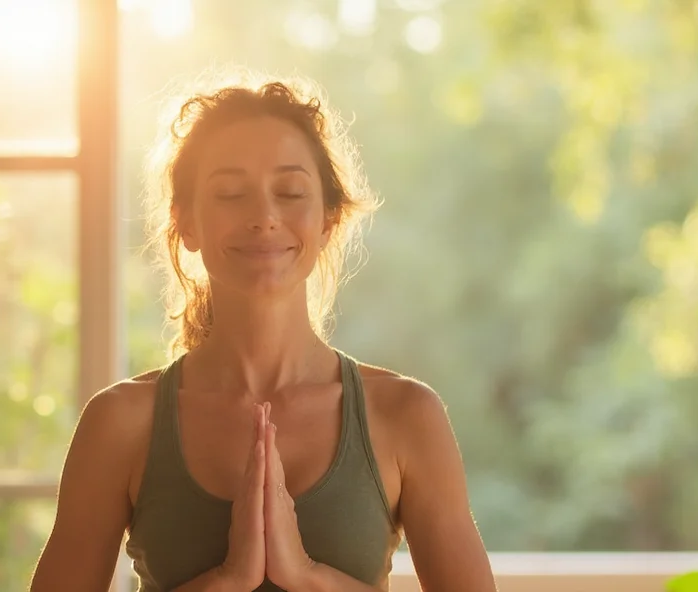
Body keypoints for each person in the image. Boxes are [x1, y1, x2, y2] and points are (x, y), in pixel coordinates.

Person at [29, 75, 498, 592]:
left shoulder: (407, 416)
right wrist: (224, 583)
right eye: (230, 194)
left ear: (328, 219)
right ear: (186, 223)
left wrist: (309, 576)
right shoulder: (119, 423)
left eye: (291, 192)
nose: (264, 217)